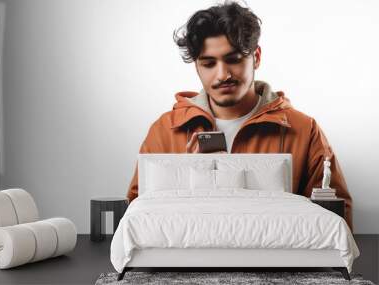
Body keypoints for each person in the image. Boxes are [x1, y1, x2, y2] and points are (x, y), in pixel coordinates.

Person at [126, 1, 353, 231]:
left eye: (233, 60)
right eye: (209, 63)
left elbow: (336, 220)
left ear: (256, 57)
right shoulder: (165, 130)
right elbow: (137, 216)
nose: (223, 74)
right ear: (197, 67)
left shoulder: (304, 130)